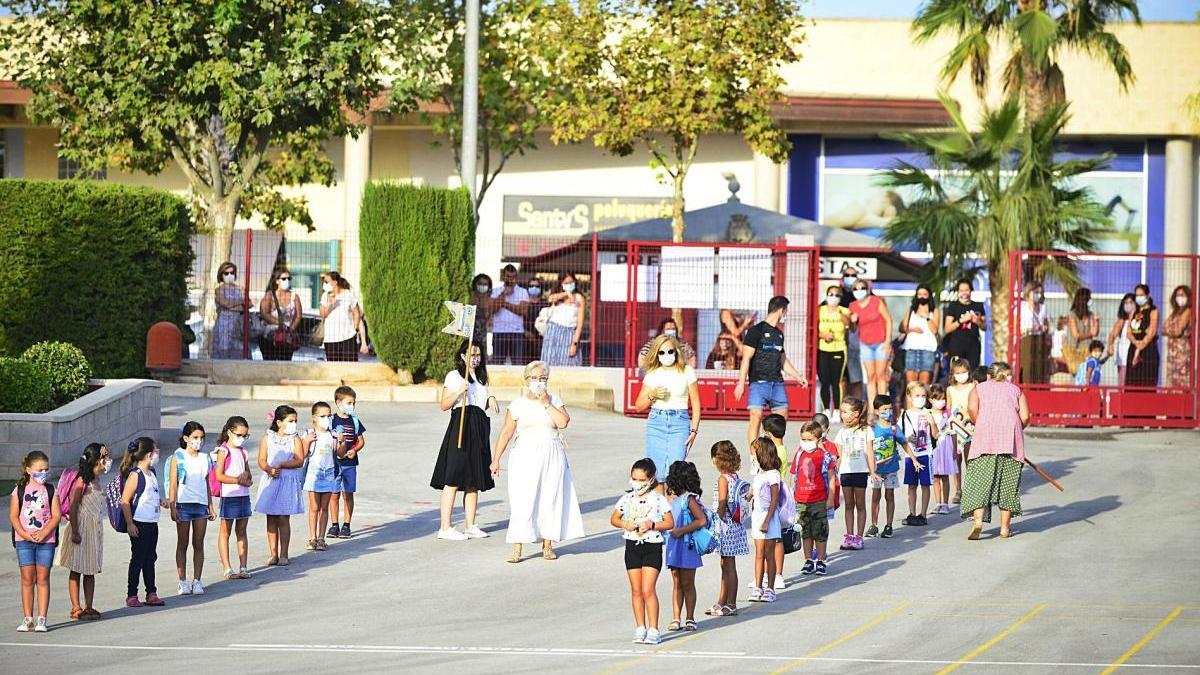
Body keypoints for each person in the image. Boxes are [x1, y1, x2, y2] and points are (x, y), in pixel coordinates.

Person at [490, 360, 586, 563]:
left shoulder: (554, 400)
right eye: (534, 378)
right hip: (524, 454)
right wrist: (496, 459)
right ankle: (518, 547)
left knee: (550, 497)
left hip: (551, 453)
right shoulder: (517, 404)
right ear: (526, 380)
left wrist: (546, 403)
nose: (538, 382)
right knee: (523, 499)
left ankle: (548, 544)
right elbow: (507, 432)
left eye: (542, 378)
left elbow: (563, 422)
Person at [432, 341, 498, 541]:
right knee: (453, 476)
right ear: (462, 355)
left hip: (478, 427)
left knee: (473, 481)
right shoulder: (454, 376)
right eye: (471, 354)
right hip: (461, 425)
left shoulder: (482, 379)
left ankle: (470, 525)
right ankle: (445, 527)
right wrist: (459, 392)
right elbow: (444, 405)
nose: (475, 358)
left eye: (478, 354)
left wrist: (491, 399)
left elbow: (481, 403)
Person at [610, 458, 674, 646]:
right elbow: (614, 518)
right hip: (632, 546)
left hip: (652, 546)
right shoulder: (627, 499)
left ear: (651, 480)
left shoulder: (658, 500)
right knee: (636, 590)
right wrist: (625, 524)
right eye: (634, 479)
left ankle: (654, 629)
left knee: (648, 589)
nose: (636, 483)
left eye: (640, 480)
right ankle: (640, 627)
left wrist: (652, 524)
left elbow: (670, 523)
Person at [963, 362, 1029, 539]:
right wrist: (1014, 430)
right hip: (1010, 440)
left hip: (985, 438)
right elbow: (1025, 416)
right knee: (1008, 484)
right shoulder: (1016, 390)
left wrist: (982, 423)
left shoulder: (979, 388)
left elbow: (971, 408)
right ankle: (1005, 529)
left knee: (979, 481)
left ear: (988, 376)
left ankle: (978, 521)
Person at [734, 295, 808, 447]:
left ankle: (776, 453)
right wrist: (740, 384)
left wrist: (798, 376)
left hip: (777, 384)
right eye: (785, 311)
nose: (785, 314)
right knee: (756, 416)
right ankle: (754, 455)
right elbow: (746, 358)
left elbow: (783, 361)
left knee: (781, 419)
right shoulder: (755, 331)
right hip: (759, 383)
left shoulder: (779, 334)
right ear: (781, 310)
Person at [635, 334, 701, 483]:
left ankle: (675, 506)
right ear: (657, 354)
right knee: (656, 474)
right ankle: (662, 506)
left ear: (676, 351)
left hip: (679, 422)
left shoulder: (687, 370)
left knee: (675, 474)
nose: (666, 355)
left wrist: (694, 430)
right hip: (656, 422)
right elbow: (639, 405)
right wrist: (652, 395)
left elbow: (696, 403)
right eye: (662, 352)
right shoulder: (653, 373)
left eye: (670, 351)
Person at [9, 450, 62, 632]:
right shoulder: (20, 490)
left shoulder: (51, 490)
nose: (43, 473)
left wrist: (45, 532)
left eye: (46, 470)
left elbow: (56, 515)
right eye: (39, 470)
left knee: (43, 578)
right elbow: (14, 516)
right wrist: (24, 535)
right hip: (24, 540)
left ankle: (42, 619)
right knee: (27, 579)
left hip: (46, 542)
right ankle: (27, 618)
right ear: (28, 469)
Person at [56, 444, 109, 620]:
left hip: (94, 531)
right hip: (81, 528)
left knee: (90, 569)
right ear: (96, 461)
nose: (107, 462)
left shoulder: (96, 480)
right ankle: (76, 607)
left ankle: (89, 606)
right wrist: (75, 532)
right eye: (104, 458)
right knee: (76, 568)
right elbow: (73, 507)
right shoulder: (82, 481)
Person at [167, 421, 215, 596]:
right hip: (183, 505)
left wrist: (210, 506)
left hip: (200, 505)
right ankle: (182, 581)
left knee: (198, 543)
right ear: (186, 438)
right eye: (195, 437)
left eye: (201, 438)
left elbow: (207, 483)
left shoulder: (205, 458)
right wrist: (173, 506)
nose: (199, 441)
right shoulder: (178, 457)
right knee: (183, 543)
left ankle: (197, 580)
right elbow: (173, 484)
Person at [255, 405, 305, 566]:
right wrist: (269, 469)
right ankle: (273, 553)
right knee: (271, 517)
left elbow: (299, 460)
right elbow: (262, 460)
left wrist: (283, 464)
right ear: (279, 422)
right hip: (272, 480)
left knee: (283, 517)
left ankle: (284, 553)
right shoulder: (268, 439)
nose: (294, 424)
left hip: (287, 481)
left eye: (295, 421)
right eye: (290, 421)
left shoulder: (295, 439)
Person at [120, 437, 164, 608]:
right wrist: (130, 524)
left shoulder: (151, 473)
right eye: (155, 451)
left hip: (152, 522)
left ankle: (151, 592)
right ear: (148, 454)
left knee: (150, 558)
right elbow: (125, 501)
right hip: (140, 523)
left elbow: (148, 494)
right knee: (138, 559)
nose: (157, 453)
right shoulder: (135, 475)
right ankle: (132, 594)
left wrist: (160, 501)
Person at [866, 395, 919, 539]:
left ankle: (888, 525)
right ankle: (874, 525)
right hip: (876, 470)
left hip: (891, 469)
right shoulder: (871, 429)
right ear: (876, 411)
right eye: (884, 409)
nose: (888, 412)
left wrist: (914, 459)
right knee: (875, 496)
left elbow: (904, 444)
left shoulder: (895, 429)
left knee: (889, 495)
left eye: (890, 409)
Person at [706, 441, 748, 617]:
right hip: (735, 525)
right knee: (726, 564)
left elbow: (722, 502)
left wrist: (716, 521)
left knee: (728, 566)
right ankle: (722, 601)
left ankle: (731, 603)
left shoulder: (723, 479)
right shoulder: (734, 476)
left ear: (718, 459)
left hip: (726, 526)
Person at [664, 461, 706, 633]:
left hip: (687, 544)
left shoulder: (689, 499)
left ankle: (690, 617)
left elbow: (701, 520)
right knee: (676, 582)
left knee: (687, 582)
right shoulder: (673, 500)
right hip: (673, 544)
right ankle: (675, 617)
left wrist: (681, 530)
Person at [789, 422, 836, 577]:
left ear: (818, 438)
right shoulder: (799, 454)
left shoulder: (825, 456)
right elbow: (794, 475)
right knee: (805, 532)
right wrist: (791, 497)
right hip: (801, 500)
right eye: (803, 439)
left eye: (809, 439)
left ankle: (821, 560)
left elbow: (831, 479)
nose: (806, 442)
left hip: (819, 500)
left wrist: (830, 498)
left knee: (820, 532)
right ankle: (808, 560)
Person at [834, 396, 880, 551]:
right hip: (846, 472)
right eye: (842, 412)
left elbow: (870, 452)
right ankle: (849, 535)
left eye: (845, 412)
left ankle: (859, 537)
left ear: (856, 413)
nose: (843, 415)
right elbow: (838, 456)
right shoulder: (841, 432)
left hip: (860, 471)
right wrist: (833, 474)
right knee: (848, 505)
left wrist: (872, 471)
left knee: (860, 504)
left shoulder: (866, 430)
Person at [213, 416, 254, 580]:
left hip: (243, 496)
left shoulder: (243, 452)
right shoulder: (223, 451)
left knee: (242, 532)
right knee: (225, 532)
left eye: (245, 436)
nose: (242, 439)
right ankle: (227, 568)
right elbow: (219, 475)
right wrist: (237, 480)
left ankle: (243, 566)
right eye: (239, 435)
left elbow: (249, 475)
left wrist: (246, 479)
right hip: (229, 496)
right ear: (229, 432)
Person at [302, 402, 346, 552]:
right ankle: (312, 537)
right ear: (314, 418)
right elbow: (301, 455)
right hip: (314, 472)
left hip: (329, 472)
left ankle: (321, 538)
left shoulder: (332, 435)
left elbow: (340, 454)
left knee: (324, 507)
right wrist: (306, 441)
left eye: (328, 416)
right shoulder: (310, 434)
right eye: (322, 416)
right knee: (314, 507)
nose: (326, 419)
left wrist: (342, 441)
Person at [848, 279, 893, 408]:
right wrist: (852, 321)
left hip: (880, 343)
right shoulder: (853, 306)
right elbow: (853, 329)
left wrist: (887, 341)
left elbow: (888, 320)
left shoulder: (876, 301)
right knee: (870, 376)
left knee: (881, 375)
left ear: (867, 289)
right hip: (865, 344)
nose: (859, 291)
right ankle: (873, 409)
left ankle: (883, 406)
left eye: (861, 287)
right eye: (856, 289)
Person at [328, 386, 366, 539]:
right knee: (333, 494)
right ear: (338, 403)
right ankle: (334, 525)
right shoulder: (331, 421)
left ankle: (347, 525)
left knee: (348, 494)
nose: (352, 406)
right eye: (349, 403)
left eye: (353, 403)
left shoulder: (355, 421)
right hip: (334, 464)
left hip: (350, 464)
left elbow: (361, 441)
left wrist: (354, 450)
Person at [747, 438, 781, 603]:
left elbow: (775, 499)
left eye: (754, 452)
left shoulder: (773, 474)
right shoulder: (758, 473)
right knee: (759, 554)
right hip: (757, 515)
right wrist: (748, 494)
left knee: (769, 554)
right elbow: (753, 492)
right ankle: (758, 586)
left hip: (769, 517)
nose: (752, 456)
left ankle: (770, 588)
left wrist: (767, 520)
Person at [900, 383, 937, 525]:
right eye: (917, 395)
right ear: (909, 396)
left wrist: (932, 422)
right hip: (911, 455)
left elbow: (935, 434)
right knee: (911, 485)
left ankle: (923, 514)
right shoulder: (905, 414)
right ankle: (912, 513)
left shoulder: (928, 413)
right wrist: (908, 438)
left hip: (925, 453)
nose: (920, 398)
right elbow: (901, 436)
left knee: (925, 484)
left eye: (923, 396)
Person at [760, 414, 789, 590]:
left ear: (769, 433)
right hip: (770, 497)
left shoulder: (776, 452)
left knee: (776, 539)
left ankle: (777, 574)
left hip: (774, 499)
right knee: (768, 539)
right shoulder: (781, 449)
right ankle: (766, 574)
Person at [817, 285, 851, 420]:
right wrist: (822, 335)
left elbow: (851, 328)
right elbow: (813, 329)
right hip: (823, 349)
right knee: (824, 381)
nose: (833, 297)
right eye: (831, 294)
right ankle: (825, 410)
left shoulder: (845, 311)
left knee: (836, 381)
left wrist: (846, 320)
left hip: (839, 349)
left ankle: (837, 411)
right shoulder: (820, 310)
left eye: (837, 295)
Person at [319, 271, 368, 362]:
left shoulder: (348, 294)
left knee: (350, 369)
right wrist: (330, 305)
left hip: (347, 337)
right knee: (334, 370)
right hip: (331, 339)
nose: (324, 284)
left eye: (327, 281)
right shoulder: (325, 296)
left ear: (335, 282)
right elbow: (322, 314)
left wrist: (355, 330)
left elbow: (357, 314)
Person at [946, 356, 976, 504]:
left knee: (969, 458)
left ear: (968, 372)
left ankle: (970, 488)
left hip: (970, 426)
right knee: (955, 459)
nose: (961, 375)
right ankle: (958, 489)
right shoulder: (950, 389)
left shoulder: (973, 386)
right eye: (958, 373)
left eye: (964, 372)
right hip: (955, 428)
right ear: (953, 374)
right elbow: (948, 409)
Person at [258, 267, 303, 361]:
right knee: (269, 363)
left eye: (289, 278)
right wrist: (280, 324)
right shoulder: (270, 295)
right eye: (284, 279)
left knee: (285, 363)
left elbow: (298, 316)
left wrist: (290, 329)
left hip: (287, 336)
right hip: (269, 336)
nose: (287, 281)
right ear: (277, 281)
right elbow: (264, 313)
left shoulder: (294, 296)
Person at [541, 273, 586, 366]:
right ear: (561, 283)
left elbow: (580, 324)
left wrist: (574, 344)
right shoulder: (557, 295)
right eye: (566, 283)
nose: (569, 285)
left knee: (568, 363)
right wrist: (566, 294)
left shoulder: (579, 298)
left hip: (569, 333)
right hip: (553, 331)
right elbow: (550, 299)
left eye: (571, 282)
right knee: (549, 362)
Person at [901, 284, 941, 385]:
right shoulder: (911, 310)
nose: (922, 297)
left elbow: (935, 330)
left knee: (925, 382)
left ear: (929, 295)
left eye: (924, 294)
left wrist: (927, 317)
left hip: (928, 349)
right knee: (911, 383)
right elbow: (903, 327)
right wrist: (912, 329)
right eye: (919, 294)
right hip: (911, 348)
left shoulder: (934, 311)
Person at [942, 279, 987, 372]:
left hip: (973, 344)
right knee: (956, 371)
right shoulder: (953, 306)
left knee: (972, 371)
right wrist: (961, 320)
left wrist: (977, 321)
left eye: (966, 290)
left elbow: (984, 327)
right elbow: (947, 329)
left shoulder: (978, 306)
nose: (964, 293)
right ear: (958, 292)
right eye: (961, 290)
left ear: (971, 291)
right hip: (956, 344)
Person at [491, 264, 530, 365]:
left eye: (513, 277)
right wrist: (504, 294)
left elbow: (522, 311)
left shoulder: (523, 291)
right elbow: (492, 309)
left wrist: (503, 303)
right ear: (503, 276)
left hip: (517, 333)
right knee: (497, 364)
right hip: (499, 332)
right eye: (508, 277)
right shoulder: (495, 291)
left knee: (517, 364)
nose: (510, 280)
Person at [928, 384, 957, 515]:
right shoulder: (928, 414)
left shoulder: (948, 414)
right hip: (934, 447)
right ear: (931, 400)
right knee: (935, 476)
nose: (941, 401)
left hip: (946, 446)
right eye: (937, 398)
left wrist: (955, 449)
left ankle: (945, 503)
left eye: (943, 398)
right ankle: (938, 502)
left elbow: (953, 432)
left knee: (944, 476)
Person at [1126, 284, 1160, 387]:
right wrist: (1136, 343)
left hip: (1148, 350)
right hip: (1134, 348)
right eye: (1137, 295)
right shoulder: (1133, 312)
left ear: (1147, 295)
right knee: (1132, 382)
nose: (1139, 298)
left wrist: (1140, 348)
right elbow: (1129, 332)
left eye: (1141, 295)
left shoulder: (1153, 311)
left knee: (1147, 383)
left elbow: (1152, 332)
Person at [212, 261, 248, 359]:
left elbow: (248, 304)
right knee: (223, 350)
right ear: (221, 275)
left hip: (238, 324)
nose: (229, 275)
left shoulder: (241, 289)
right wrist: (240, 301)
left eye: (232, 273)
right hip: (224, 326)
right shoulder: (219, 290)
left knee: (240, 351)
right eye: (226, 273)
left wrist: (231, 305)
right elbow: (225, 303)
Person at [1017, 282, 1050, 384]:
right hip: (1026, 339)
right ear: (1028, 292)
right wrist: (1031, 329)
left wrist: (1044, 328)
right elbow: (1015, 326)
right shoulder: (1021, 306)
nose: (1038, 295)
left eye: (1040, 292)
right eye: (1036, 292)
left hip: (1040, 341)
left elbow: (1047, 325)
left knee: (1039, 367)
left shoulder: (1043, 307)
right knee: (1028, 366)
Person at [1065, 287, 1100, 376]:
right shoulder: (1072, 315)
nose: (1090, 300)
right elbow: (1076, 335)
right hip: (1075, 352)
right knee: (1077, 378)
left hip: (1088, 351)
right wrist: (1090, 334)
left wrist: (1097, 321)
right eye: (1089, 298)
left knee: (1088, 377)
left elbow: (1095, 332)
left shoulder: (1090, 314)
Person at [1164, 285, 1193, 389]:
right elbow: (1163, 328)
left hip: (1182, 352)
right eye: (1177, 295)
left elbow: (1178, 331)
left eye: (1182, 295)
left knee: (1182, 380)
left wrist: (1170, 330)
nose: (1179, 297)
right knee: (1171, 380)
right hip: (1172, 352)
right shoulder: (1175, 312)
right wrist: (1172, 330)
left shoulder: (1188, 311)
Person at [1106, 293, 1137, 385]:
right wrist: (1110, 345)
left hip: (1136, 358)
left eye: (1131, 302)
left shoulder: (1139, 320)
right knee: (1123, 385)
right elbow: (1112, 335)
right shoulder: (1122, 320)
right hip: (1124, 358)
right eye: (1126, 303)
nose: (1128, 305)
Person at [523, 277, 548, 360]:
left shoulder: (545, 303)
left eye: (537, 286)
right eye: (531, 286)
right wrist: (525, 332)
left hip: (541, 340)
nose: (534, 288)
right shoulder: (523, 303)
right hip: (525, 340)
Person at [471, 273, 496, 344]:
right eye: (480, 283)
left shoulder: (490, 301)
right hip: (467, 334)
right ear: (475, 284)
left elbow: (490, 318)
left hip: (482, 336)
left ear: (489, 286)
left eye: (485, 284)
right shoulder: (469, 298)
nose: (482, 286)